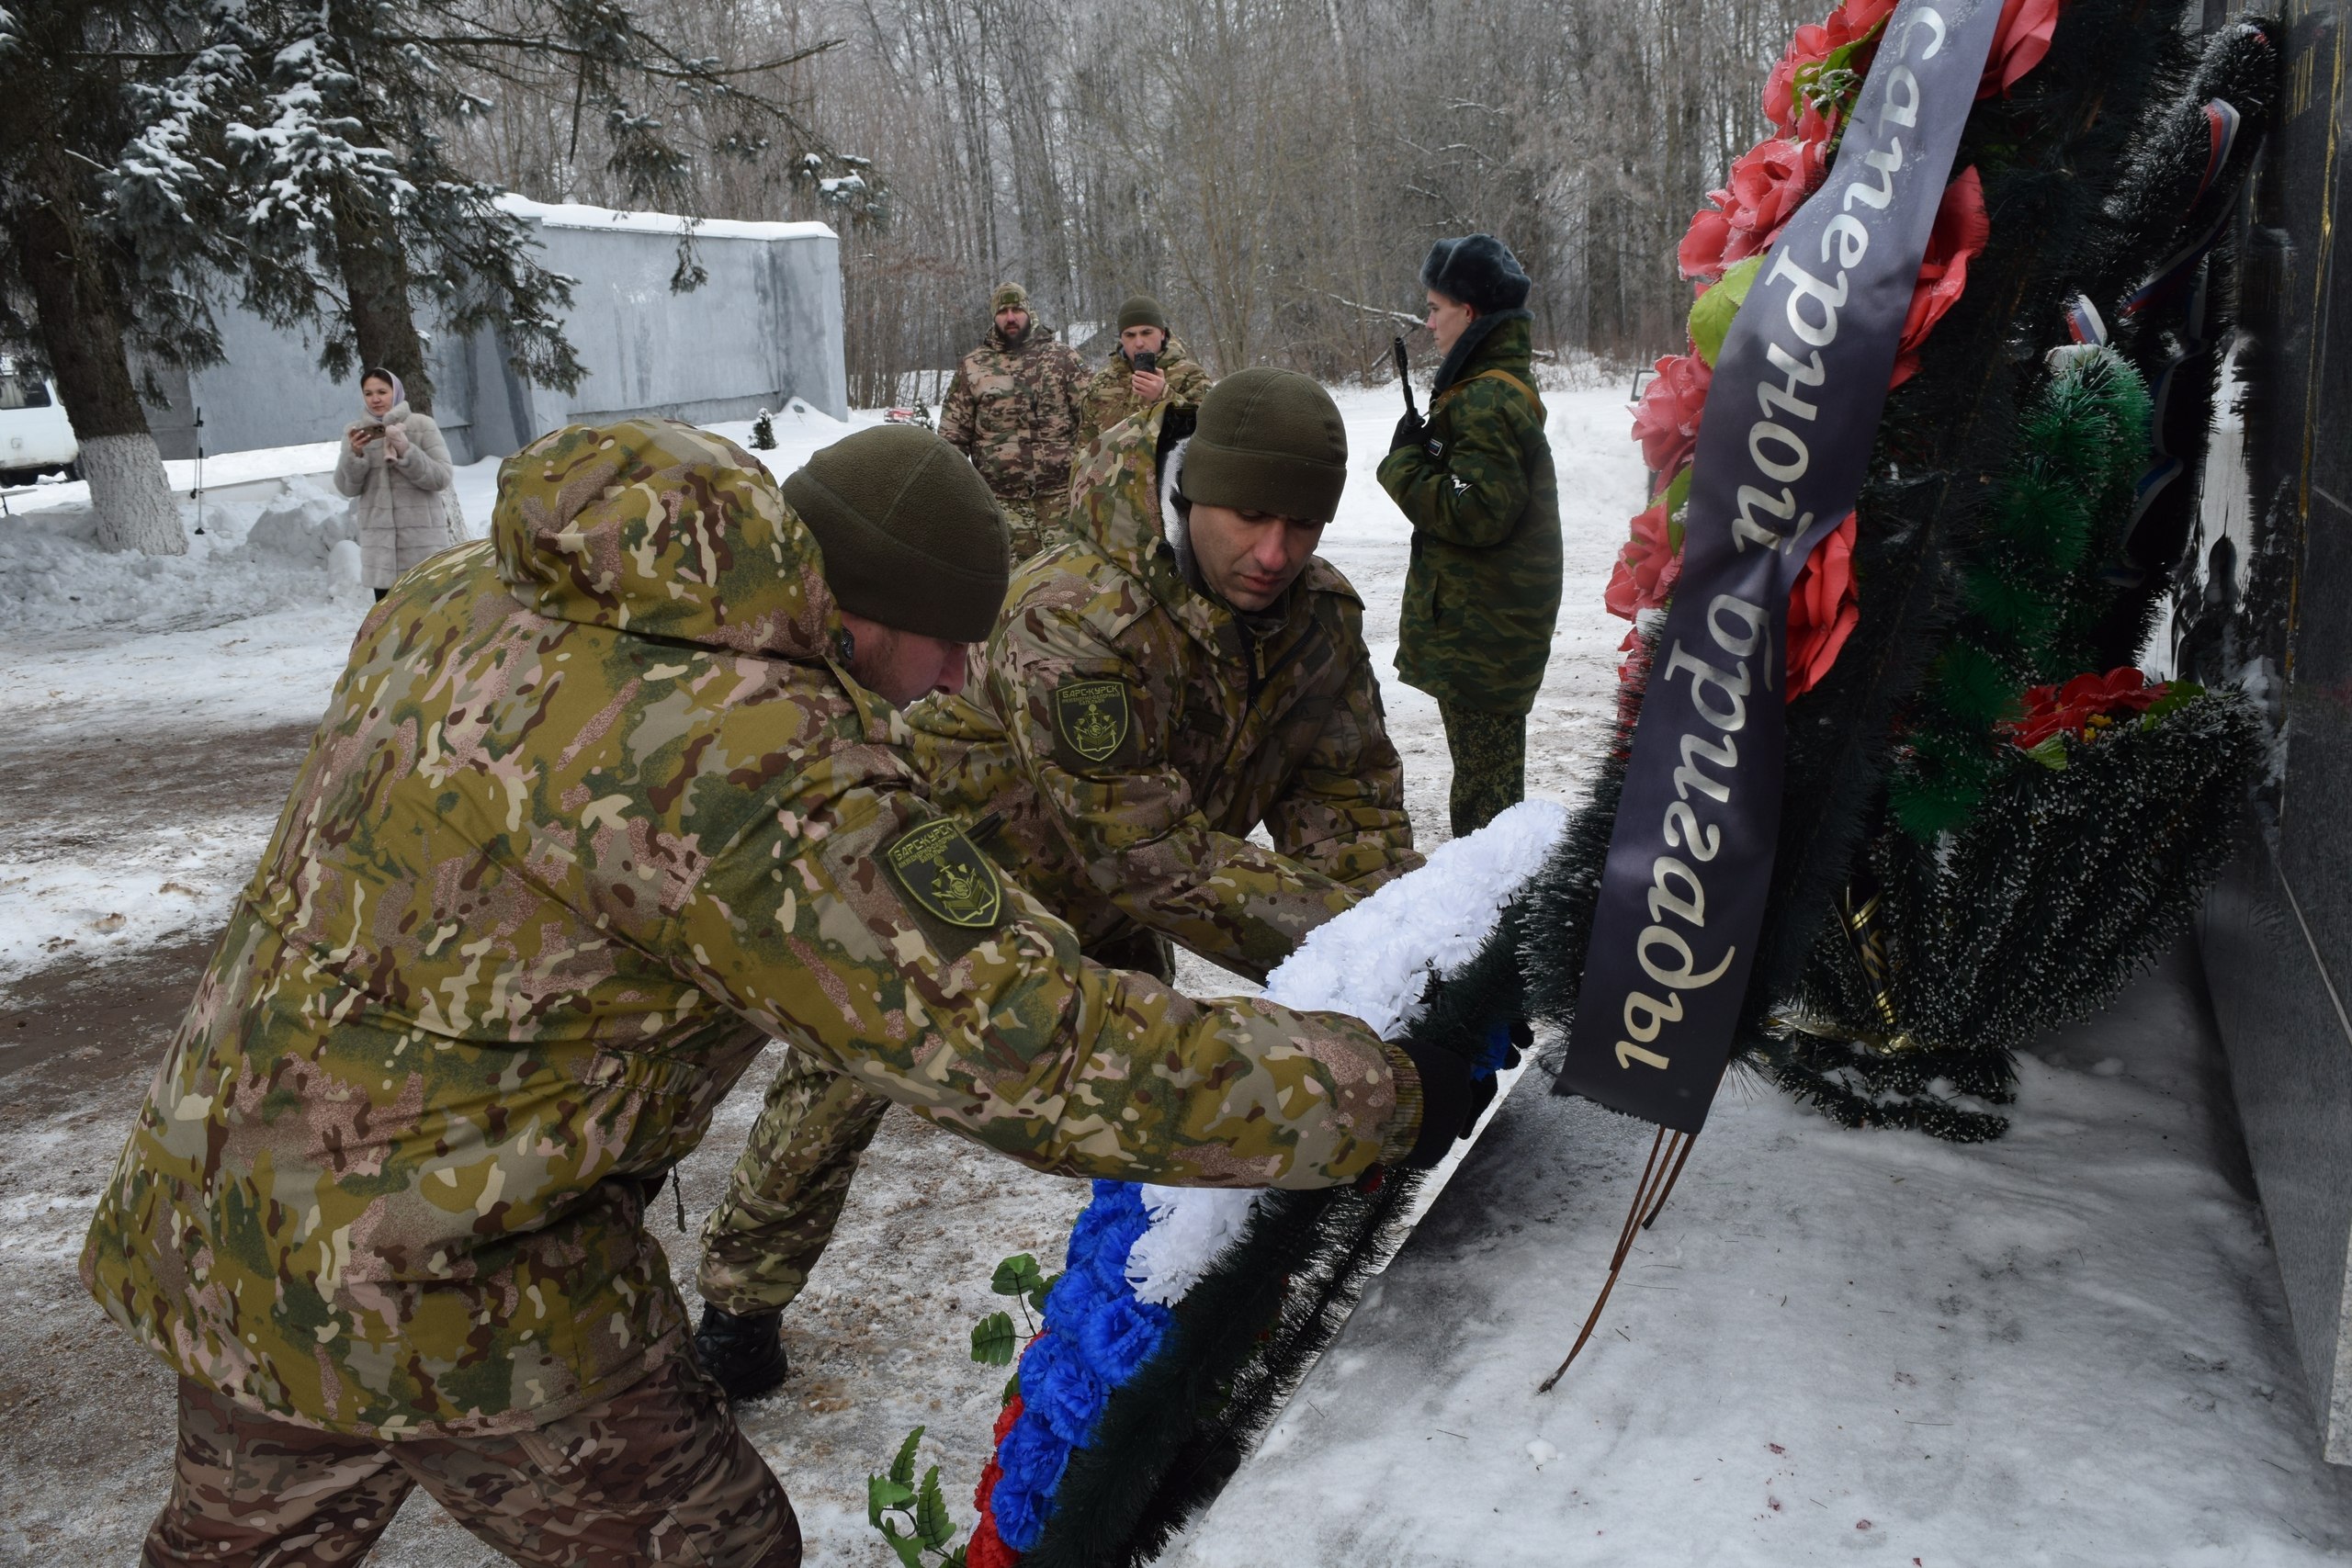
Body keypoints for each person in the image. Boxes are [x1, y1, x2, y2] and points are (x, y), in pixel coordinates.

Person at [82, 416, 1480, 1568]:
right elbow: (1033, 1048)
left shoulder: (478, 590)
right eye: (947, 646)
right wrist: (1386, 1083)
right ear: (863, 622)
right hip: (459, 1264)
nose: (962, 677)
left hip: (228, 1192)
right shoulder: (760, 759)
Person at [693, 369, 1425, 1398]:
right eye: (1252, 515)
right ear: (1189, 491)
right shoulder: (1073, 613)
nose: (1276, 553)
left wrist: (1405, 942)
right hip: (969, 883)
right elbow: (1146, 853)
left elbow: (1350, 806)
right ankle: (738, 1296)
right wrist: (1355, 946)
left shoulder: (1314, 625)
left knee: (1153, 1086)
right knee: (840, 1083)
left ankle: (1146, 1287)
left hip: (1133, 889)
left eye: (1303, 523)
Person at [1378, 234, 1562, 838]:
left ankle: (1496, 922)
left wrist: (1404, 465)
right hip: (1488, 631)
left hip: (1485, 638)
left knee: (1488, 811)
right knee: (1488, 792)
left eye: (1436, 309)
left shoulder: (1486, 398)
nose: (1428, 323)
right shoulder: (1488, 387)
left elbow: (1479, 509)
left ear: (1471, 313)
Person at [938, 282, 1090, 564]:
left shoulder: (1062, 359)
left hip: (1063, 502)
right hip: (1002, 508)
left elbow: (1092, 422)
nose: (1010, 317)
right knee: (1010, 593)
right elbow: (952, 439)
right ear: (994, 316)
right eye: (1003, 311)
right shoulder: (974, 366)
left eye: (1016, 309)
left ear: (1028, 311)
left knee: (1071, 583)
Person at [334, 367, 456, 601]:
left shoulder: (421, 425)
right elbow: (347, 488)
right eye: (368, 393)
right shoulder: (355, 432)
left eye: (382, 391)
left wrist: (405, 449)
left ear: (396, 392)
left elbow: (441, 477)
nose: (376, 399)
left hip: (423, 549)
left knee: (430, 625)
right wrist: (355, 455)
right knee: (391, 629)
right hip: (381, 557)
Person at [1072, 293, 1210, 454]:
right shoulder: (1103, 382)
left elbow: (1208, 433)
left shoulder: (1191, 376)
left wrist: (1164, 396)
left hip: (1169, 477)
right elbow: (1085, 445)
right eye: (1130, 335)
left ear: (1163, 333)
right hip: (1115, 477)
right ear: (1121, 339)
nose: (1138, 343)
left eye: (1146, 333)